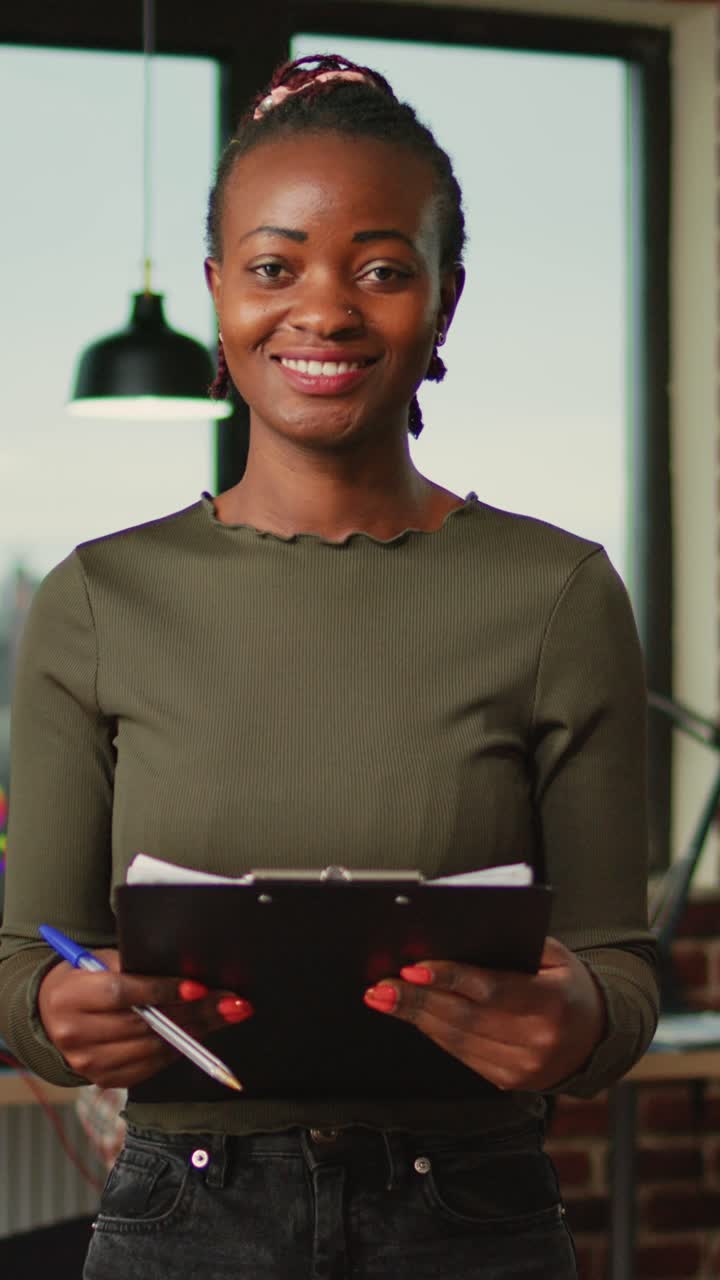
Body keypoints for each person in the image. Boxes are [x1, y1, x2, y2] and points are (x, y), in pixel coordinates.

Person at [0, 53, 657, 1279]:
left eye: (381, 269)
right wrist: (54, 1012)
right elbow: (25, 967)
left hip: (475, 1218)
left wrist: (573, 1024)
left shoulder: (557, 594)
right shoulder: (97, 598)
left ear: (445, 300)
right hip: (182, 1222)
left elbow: (619, 969)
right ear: (216, 293)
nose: (325, 309)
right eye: (273, 266)